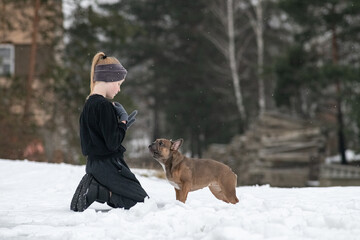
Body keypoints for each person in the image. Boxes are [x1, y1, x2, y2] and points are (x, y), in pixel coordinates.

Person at [70, 52, 148, 212]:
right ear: (109, 78)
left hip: (93, 164)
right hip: (109, 166)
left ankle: (98, 187)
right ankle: (97, 189)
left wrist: (121, 126)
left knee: (138, 200)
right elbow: (113, 143)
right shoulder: (104, 106)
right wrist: (122, 122)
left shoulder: (89, 105)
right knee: (143, 203)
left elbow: (96, 138)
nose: (119, 89)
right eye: (119, 83)